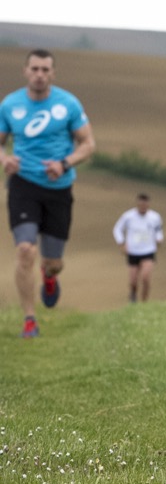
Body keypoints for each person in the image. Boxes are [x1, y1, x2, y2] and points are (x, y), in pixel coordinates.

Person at [1, 49, 96, 338]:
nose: (39, 75)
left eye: (45, 69)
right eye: (35, 69)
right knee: (25, 249)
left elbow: (88, 144)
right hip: (23, 184)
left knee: (54, 262)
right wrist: (5, 159)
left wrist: (64, 163)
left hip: (59, 187)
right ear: (25, 71)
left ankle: (50, 276)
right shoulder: (10, 105)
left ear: (53, 73)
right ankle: (30, 320)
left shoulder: (68, 104)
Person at [113, 192, 163, 302]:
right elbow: (117, 229)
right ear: (137, 204)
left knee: (145, 277)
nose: (143, 207)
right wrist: (121, 243)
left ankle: (144, 303)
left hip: (148, 251)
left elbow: (158, 230)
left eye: (145, 205)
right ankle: (133, 295)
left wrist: (159, 238)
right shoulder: (128, 216)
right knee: (133, 281)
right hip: (133, 251)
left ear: (148, 204)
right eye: (141, 204)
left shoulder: (155, 217)